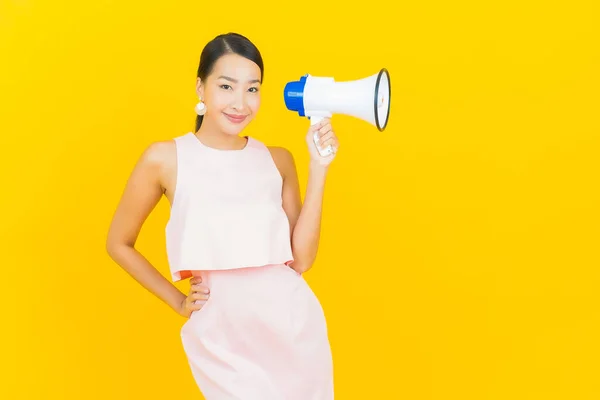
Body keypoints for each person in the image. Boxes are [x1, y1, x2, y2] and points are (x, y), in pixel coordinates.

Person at [105, 32, 339, 399]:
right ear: (201, 87)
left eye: (252, 89)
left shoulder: (278, 160)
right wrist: (177, 301)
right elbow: (118, 243)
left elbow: (303, 259)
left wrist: (319, 166)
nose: (240, 103)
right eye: (227, 86)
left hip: (292, 327)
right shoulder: (164, 158)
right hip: (221, 332)